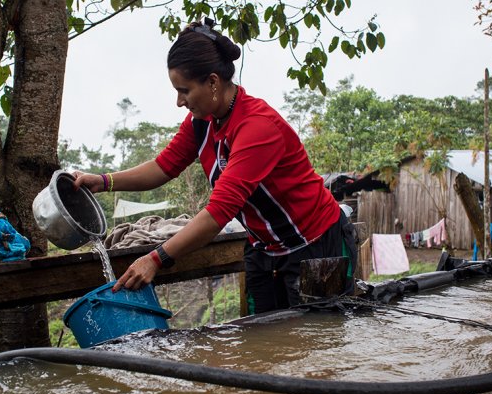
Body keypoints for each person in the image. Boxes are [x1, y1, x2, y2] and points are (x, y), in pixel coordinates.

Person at [73, 18, 358, 314]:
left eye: (184, 90)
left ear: (212, 82)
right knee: (265, 345)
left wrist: (155, 258)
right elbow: (163, 167)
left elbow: (218, 214)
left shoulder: (257, 127)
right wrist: (103, 181)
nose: (179, 101)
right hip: (264, 249)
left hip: (315, 245)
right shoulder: (202, 122)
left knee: (320, 345)